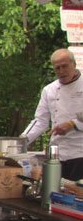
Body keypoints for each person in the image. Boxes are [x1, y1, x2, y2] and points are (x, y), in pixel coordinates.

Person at [20, 49, 83, 181]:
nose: (61, 71)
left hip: (80, 152)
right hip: (57, 154)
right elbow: (40, 120)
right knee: (56, 195)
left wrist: (72, 124)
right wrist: (21, 141)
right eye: (57, 68)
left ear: (74, 64)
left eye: (64, 66)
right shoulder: (49, 90)